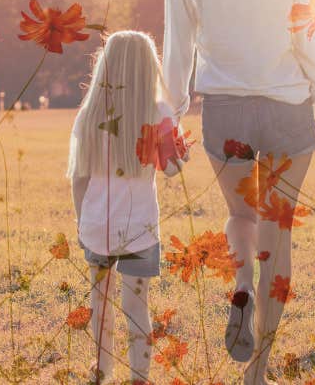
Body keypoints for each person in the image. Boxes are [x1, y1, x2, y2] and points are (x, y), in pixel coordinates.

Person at [163, 0, 315, 385]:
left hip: (227, 113)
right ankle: (257, 370)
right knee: (277, 234)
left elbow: (177, 51)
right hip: (288, 113)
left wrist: (172, 118)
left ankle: (240, 282)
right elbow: (308, 35)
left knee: (242, 218)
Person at [68, 30, 186, 385]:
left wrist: (81, 223)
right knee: (137, 307)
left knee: (100, 305)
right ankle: (140, 376)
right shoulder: (159, 112)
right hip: (140, 228)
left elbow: (78, 179)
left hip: (97, 227)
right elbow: (172, 170)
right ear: (149, 68)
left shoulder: (89, 115)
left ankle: (103, 370)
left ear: (106, 66)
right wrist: (182, 155)